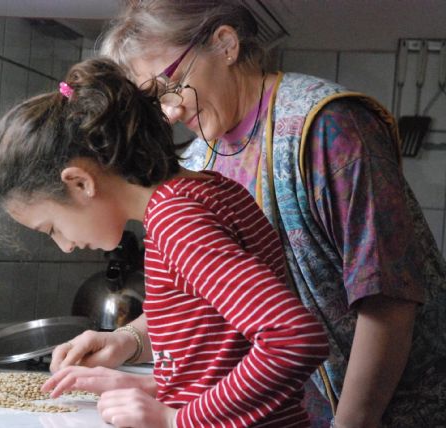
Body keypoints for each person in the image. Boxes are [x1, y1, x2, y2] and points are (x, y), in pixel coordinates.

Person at [49, 2, 446, 427]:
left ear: (225, 44)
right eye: (153, 99)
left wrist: (350, 424)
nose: (170, 112)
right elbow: (212, 303)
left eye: (172, 83)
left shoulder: (328, 126)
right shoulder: (199, 158)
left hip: (397, 411)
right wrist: (126, 340)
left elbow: (389, 299)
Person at [0, 57, 329, 427]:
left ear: (80, 182)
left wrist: (175, 421)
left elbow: (292, 338)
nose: (65, 245)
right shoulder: (209, 189)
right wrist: (148, 379)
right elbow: (219, 342)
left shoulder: (175, 220)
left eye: (52, 228)